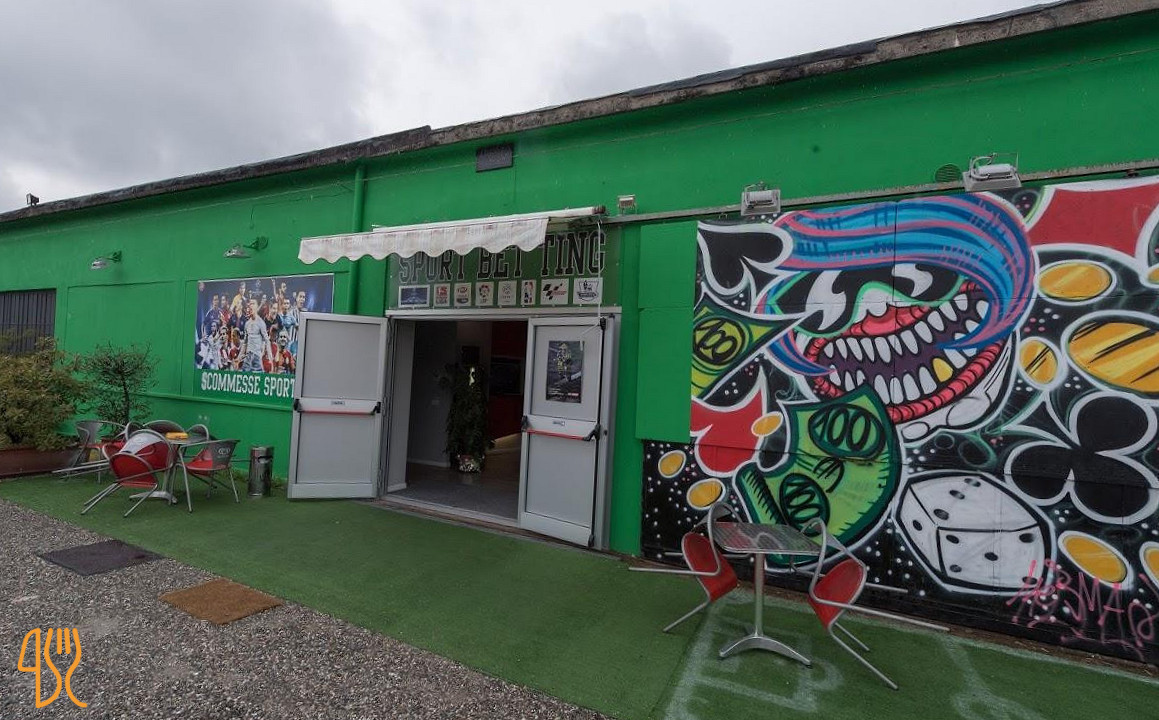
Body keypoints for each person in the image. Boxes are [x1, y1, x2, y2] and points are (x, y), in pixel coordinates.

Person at [241, 300, 270, 373]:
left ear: (257, 307)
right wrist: (239, 357)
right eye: (250, 304)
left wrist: (270, 357)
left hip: (257, 356)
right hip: (248, 357)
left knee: (258, 376)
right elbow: (245, 343)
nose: (251, 305)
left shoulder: (261, 323)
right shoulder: (247, 324)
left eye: (253, 303)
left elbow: (267, 340)